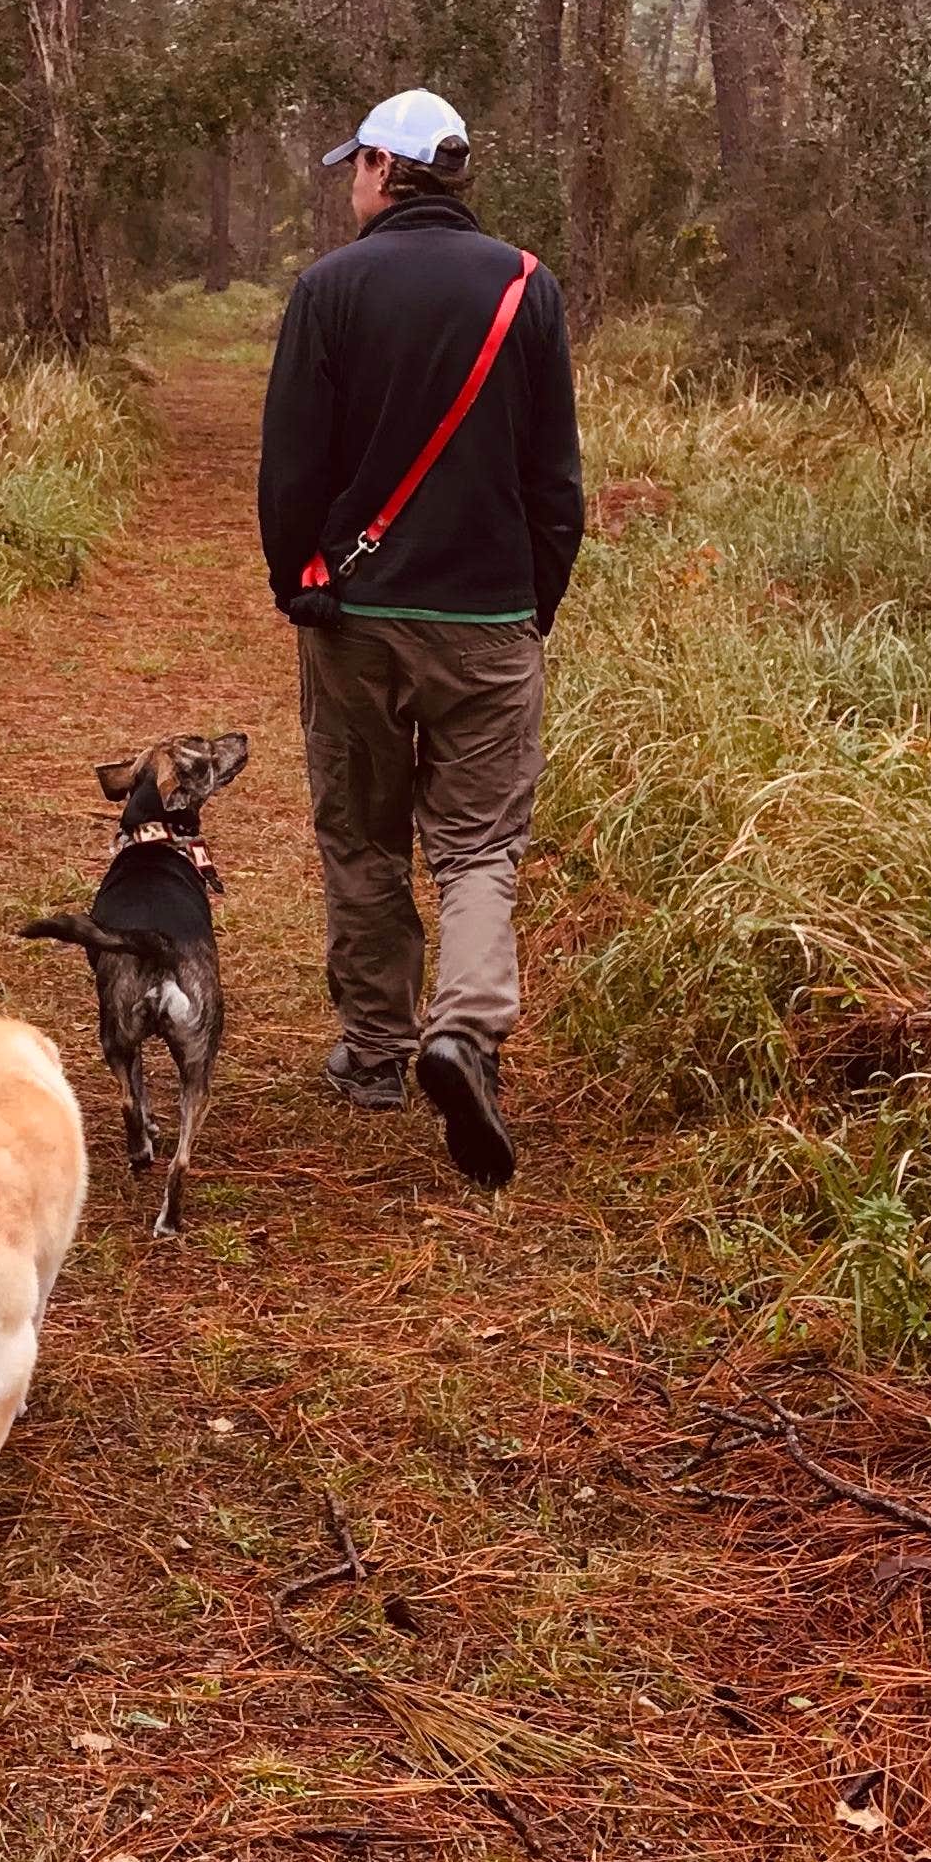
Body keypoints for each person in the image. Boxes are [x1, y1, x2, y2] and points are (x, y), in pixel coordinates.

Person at [257, 87, 583, 1189]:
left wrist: (295, 577)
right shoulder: (528, 288)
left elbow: (292, 462)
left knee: (361, 834)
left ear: (388, 173)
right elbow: (554, 477)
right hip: (490, 620)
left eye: (356, 166)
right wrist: (535, 601)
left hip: (353, 617)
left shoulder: (327, 290)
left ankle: (380, 1054)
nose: (350, 182)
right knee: (481, 846)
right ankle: (469, 1029)